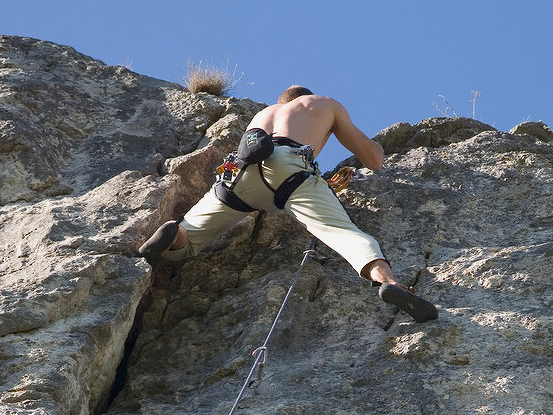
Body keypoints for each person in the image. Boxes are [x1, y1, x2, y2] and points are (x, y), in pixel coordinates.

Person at [139, 87, 437, 323]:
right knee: (344, 233)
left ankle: (173, 233)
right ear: (305, 97)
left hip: (239, 170)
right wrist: (379, 147)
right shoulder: (321, 104)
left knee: (188, 242)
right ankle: (391, 285)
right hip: (289, 167)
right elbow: (374, 160)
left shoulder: (263, 114)